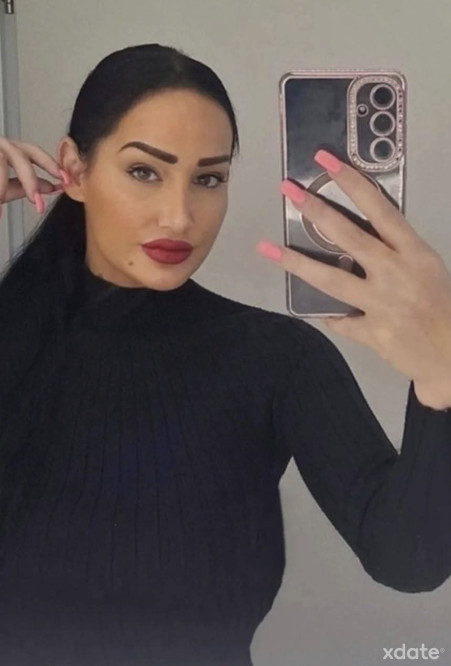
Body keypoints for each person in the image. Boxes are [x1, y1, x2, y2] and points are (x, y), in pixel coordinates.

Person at [0, 43, 450, 666]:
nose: (180, 216)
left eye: (208, 178)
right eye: (144, 171)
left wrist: (442, 373)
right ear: (74, 170)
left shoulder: (277, 360)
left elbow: (408, 558)